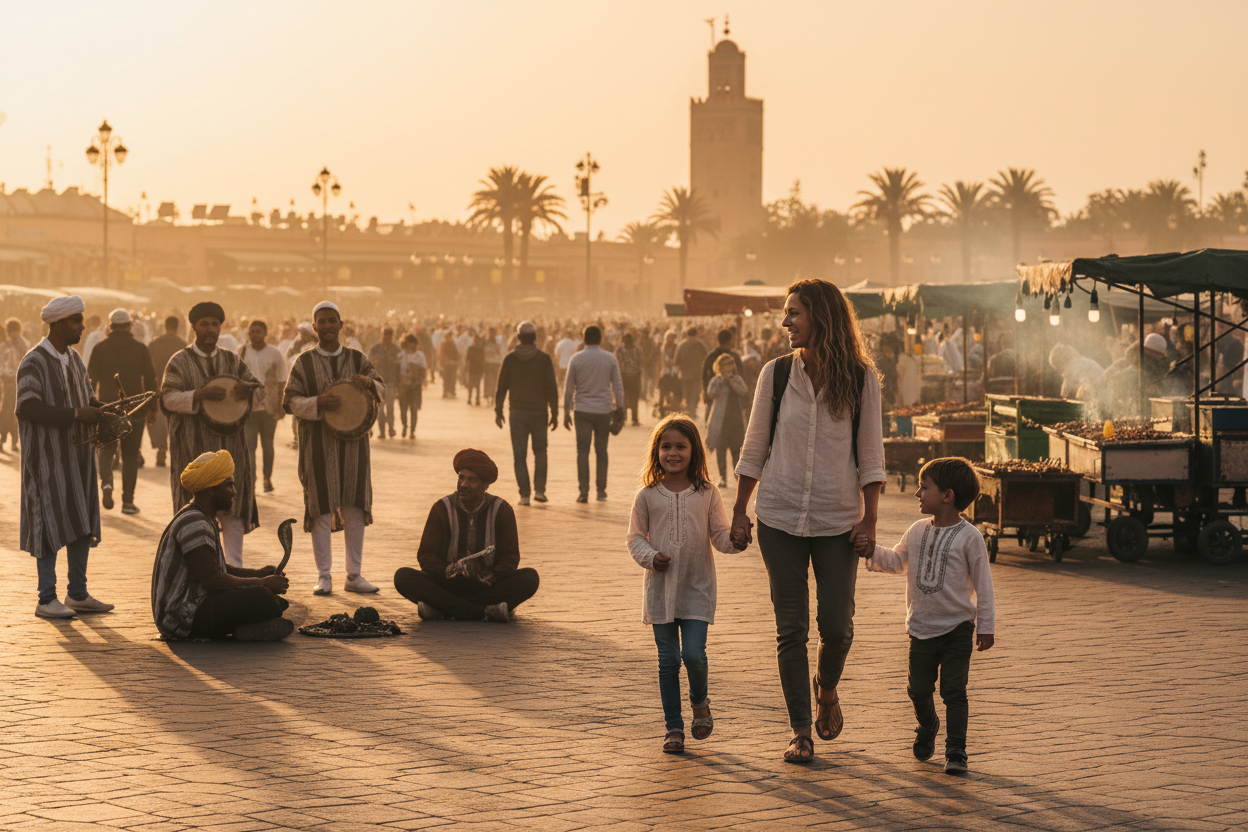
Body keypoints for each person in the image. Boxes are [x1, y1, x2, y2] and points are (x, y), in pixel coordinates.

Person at [730, 278, 886, 764]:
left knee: (837, 627)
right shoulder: (775, 376)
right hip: (778, 517)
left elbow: (871, 456)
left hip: (839, 520)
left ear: (821, 316)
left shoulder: (861, 379)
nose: (785, 322)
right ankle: (800, 729)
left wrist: (871, 521)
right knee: (790, 629)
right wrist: (739, 509)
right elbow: (755, 446)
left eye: (793, 312)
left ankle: (827, 689)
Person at [854, 457, 995, 775]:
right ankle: (928, 724)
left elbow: (984, 587)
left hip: (958, 627)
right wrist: (869, 550)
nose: (917, 493)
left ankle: (956, 750)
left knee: (954, 691)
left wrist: (985, 627)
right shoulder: (917, 531)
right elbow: (895, 560)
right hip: (920, 628)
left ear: (947, 496)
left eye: (923, 487)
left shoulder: (970, 538)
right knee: (917, 689)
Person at [627, 416, 742, 754]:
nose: (673, 453)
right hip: (660, 590)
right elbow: (634, 538)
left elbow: (719, 536)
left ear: (694, 451)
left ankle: (700, 701)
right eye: (666, 447)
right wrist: (650, 556)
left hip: (697, 587)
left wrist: (737, 540)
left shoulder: (707, 492)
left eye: (680, 446)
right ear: (656, 451)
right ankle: (673, 727)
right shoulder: (647, 495)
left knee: (693, 654)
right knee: (667, 660)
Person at [17, 295, 114, 619]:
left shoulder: (73, 358)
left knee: (82, 524)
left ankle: (78, 594)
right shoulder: (33, 361)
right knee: (47, 526)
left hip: (80, 461)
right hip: (46, 463)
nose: (82, 327)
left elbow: (86, 396)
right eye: (76, 321)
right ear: (57, 324)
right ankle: (46, 598)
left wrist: (104, 411)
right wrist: (75, 414)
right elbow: (28, 407)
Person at [283, 301, 385, 595]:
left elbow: (381, 388)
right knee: (321, 509)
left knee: (355, 508)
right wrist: (318, 403)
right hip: (317, 448)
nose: (327, 326)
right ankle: (324, 575)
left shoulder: (358, 358)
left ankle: (354, 575)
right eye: (322, 322)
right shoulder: (302, 363)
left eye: (332, 321)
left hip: (355, 449)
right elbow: (290, 402)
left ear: (341, 326)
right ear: (314, 328)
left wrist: (368, 382)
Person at [152, 450, 293, 641]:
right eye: (229, 486)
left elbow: (216, 568)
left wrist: (257, 573)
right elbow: (213, 578)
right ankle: (248, 628)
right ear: (211, 490)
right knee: (260, 596)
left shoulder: (202, 517)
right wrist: (262, 583)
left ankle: (250, 627)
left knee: (262, 597)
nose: (234, 492)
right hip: (181, 618)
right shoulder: (194, 522)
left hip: (196, 606)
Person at [160, 301, 261, 568]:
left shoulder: (232, 360)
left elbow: (257, 390)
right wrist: (199, 395)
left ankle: (235, 571)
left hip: (231, 447)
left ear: (220, 327)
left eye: (215, 324)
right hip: (192, 449)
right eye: (204, 324)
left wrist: (246, 390)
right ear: (193, 327)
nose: (210, 329)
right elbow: (168, 398)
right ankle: (200, 571)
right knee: (195, 511)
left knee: (233, 510)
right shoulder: (179, 361)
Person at [394, 449, 540, 621]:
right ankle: (484, 611)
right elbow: (426, 555)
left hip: (486, 586)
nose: (463, 484)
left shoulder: (502, 510)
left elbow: (511, 557)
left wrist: (491, 575)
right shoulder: (441, 508)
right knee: (403, 576)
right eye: (461, 477)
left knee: (530, 578)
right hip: (447, 583)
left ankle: (444, 608)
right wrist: (450, 570)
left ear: (486, 485)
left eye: (472, 480)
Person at [87, 308, 158, 515]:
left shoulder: (100, 348)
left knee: (106, 449)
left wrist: (91, 408)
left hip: (106, 407)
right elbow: (151, 379)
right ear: (129, 326)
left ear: (110, 326)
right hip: (134, 408)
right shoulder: (140, 348)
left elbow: (90, 381)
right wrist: (152, 407)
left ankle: (107, 484)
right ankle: (128, 501)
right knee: (130, 455)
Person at [494, 321, 559, 506]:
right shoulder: (544, 359)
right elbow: (551, 388)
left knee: (519, 455)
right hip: (539, 412)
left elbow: (501, 388)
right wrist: (555, 413)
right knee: (540, 451)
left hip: (517, 412)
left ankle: (524, 494)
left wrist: (498, 411)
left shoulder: (510, 359)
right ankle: (539, 490)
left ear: (518, 337)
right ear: (535, 338)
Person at [564, 325, 624, 503]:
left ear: (583, 339)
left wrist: (565, 411)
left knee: (582, 452)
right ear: (601, 339)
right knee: (601, 451)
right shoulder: (609, 358)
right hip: (603, 411)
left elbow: (569, 388)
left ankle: (583, 491)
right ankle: (601, 490)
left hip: (582, 409)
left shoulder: (576, 359)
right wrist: (620, 407)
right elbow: (617, 386)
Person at [237, 320, 287, 493]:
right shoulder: (241, 352)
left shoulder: (275, 353)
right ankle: (251, 480)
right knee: (249, 446)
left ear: (265, 333)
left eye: (258, 332)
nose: (255, 335)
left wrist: (281, 407)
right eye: (252, 332)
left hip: (269, 408)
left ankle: (267, 477)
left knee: (268, 444)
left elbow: (282, 381)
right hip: (249, 409)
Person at [704, 353, 749, 489]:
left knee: (736, 449)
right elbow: (710, 394)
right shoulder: (715, 380)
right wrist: (722, 382)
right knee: (720, 449)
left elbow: (744, 391)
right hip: (720, 419)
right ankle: (723, 478)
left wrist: (732, 382)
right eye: (726, 364)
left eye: (731, 363)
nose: (729, 366)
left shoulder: (737, 378)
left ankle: (737, 477)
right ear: (720, 367)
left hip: (734, 419)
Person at [147, 315, 187, 467]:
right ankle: (176, 452)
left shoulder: (154, 343)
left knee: (158, 420)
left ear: (164, 326)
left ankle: (161, 450)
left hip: (157, 386)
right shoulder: (182, 344)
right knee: (174, 420)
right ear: (177, 326)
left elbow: (147, 366)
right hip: (176, 387)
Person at [2, 317, 31, 452]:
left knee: (12, 412)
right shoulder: (5, 346)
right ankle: (6, 440)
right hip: (10, 384)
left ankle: (11, 440)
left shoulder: (23, 345)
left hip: (16, 383)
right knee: (9, 412)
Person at [368, 326, 402, 438]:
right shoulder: (376, 349)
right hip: (378, 382)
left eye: (388, 335)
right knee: (380, 409)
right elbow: (369, 363)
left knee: (390, 408)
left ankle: (391, 429)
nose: (386, 338)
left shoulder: (396, 350)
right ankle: (382, 431)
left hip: (391, 382)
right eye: (384, 335)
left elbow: (400, 365)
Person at [397, 333, 426, 439]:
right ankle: (405, 426)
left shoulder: (420, 356)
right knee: (403, 409)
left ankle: (412, 430)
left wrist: (415, 368)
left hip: (415, 386)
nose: (411, 346)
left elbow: (424, 370)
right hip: (403, 386)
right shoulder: (400, 355)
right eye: (409, 343)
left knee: (414, 409)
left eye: (413, 343)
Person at [700, 328, 743, 400]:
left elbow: (705, 375)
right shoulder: (734, 357)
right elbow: (741, 374)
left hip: (714, 393)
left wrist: (705, 391)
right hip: (732, 397)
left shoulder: (711, 356)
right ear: (731, 341)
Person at [676, 328, 708, 418]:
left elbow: (676, 360)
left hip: (685, 373)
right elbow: (706, 357)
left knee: (687, 392)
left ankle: (689, 409)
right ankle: (693, 410)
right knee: (695, 392)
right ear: (696, 333)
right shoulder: (700, 344)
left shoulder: (682, 345)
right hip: (697, 372)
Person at [615, 332, 645, 426]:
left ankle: (625, 418)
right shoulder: (637, 349)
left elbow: (616, 361)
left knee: (625, 398)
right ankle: (633, 418)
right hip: (633, 376)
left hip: (625, 376)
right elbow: (641, 362)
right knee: (633, 398)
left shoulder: (620, 349)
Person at [465, 334, 485, 406]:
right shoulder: (480, 349)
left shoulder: (472, 349)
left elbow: (467, 359)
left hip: (474, 369)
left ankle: (471, 399)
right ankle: (475, 399)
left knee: (473, 385)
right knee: (476, 386)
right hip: (475, 369)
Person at [439, 332, 460, 398]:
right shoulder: (444, 344)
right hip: (448, 364)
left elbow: (456, 353)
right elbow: (442, 354)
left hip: (451, 364)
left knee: (451, 378)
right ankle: (446, 391)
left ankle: (451, 391)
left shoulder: (452, 344)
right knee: (447, 378)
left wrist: (455, 361)